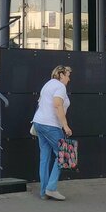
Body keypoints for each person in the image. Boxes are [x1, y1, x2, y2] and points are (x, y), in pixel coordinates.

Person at [32, 65, 73, 201]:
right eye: (68, 75)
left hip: (39, 123)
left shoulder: (48, 84)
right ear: (61, 75)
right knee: (64, 155)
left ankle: (44, 192)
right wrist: (65, 126)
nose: (69, 79)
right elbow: (57, 105)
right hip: (51, 125)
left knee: (44, 157)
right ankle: (51, 188)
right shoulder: (60, 87)